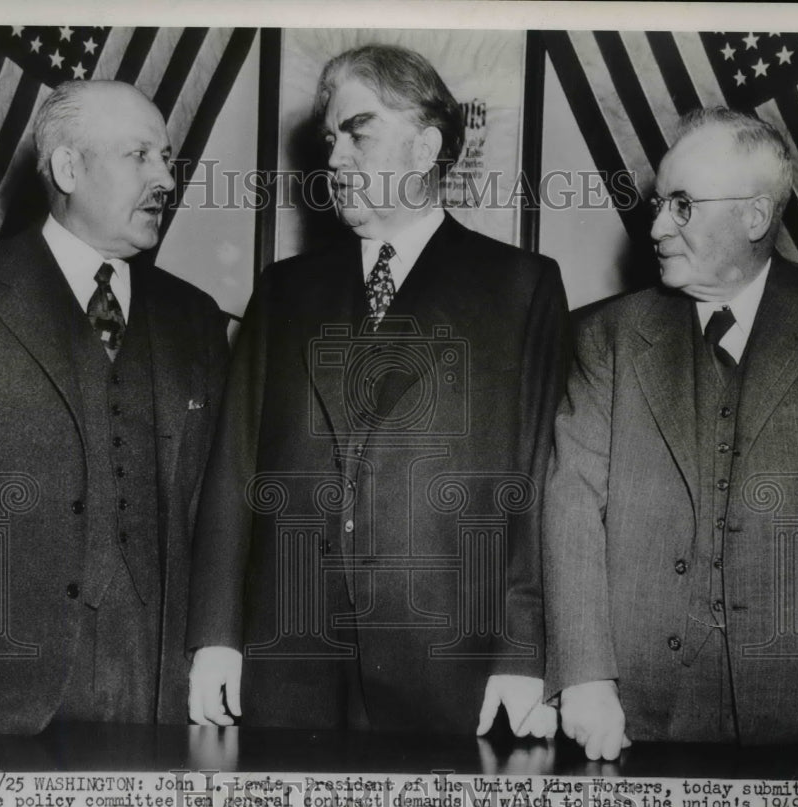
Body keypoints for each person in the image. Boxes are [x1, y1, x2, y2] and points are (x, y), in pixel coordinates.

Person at [187, 44, 569, 736]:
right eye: (331, 138)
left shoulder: (520, 287)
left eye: (358, 131)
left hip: (451, 667)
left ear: (426, 146)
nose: (335, 159)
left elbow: (538, 483)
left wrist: (523, 651)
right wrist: (215, 635)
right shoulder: (282, 291)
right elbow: (233, 470)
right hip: (289, 659)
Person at [543, 107, 798, 760]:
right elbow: (573, 501)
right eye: (661, 203)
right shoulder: (604, 338)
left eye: (683, 205)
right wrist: (585, 679)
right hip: (643, 716)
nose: (658, 226)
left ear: (753, 216)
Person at [0, 80, 230, 734]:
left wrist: (212, 644)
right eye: (140, 156)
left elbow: (216, 502)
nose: (165, 181)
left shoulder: (196, 318)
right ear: (67, 167)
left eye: (166, 159)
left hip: (157, 694)